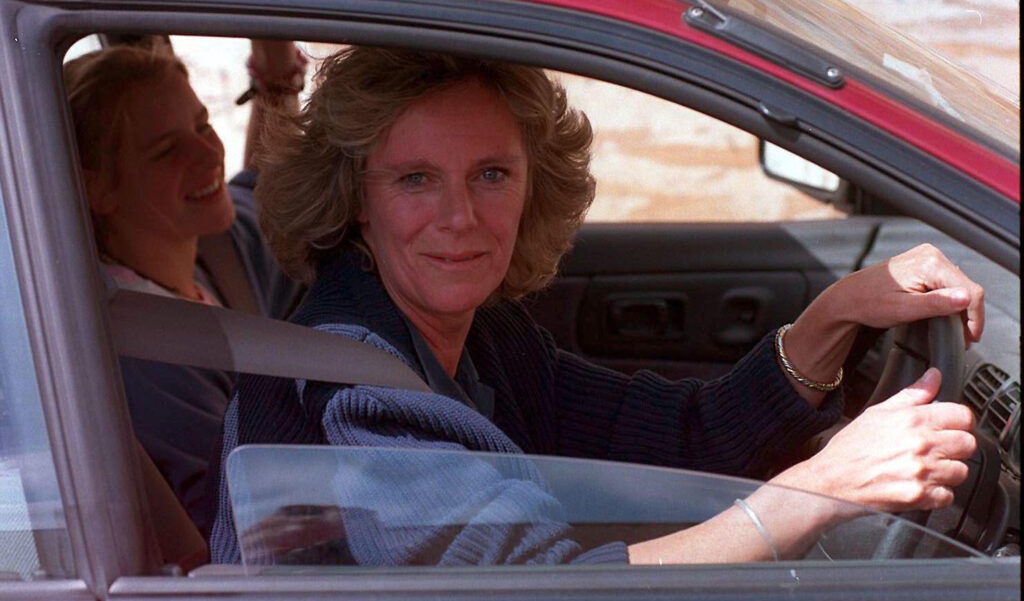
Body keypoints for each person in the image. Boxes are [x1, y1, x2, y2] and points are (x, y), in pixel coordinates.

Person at [210, 46, 983, 565]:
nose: (460, 217)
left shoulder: (485, 338)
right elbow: (556, 585)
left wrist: (835, 315)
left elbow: (689, 437)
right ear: (356, 200)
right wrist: (822, 491)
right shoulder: (362, 390)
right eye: (414, 178)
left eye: (490, 174)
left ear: (532, 185)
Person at [64, 39, 305, 534]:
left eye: (201, 124)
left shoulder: (213, 255)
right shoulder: (149, 363)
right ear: (96, 186)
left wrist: (276, 75)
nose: (208, 152)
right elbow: (257, 527)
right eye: (166, 150)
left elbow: (268, 181)